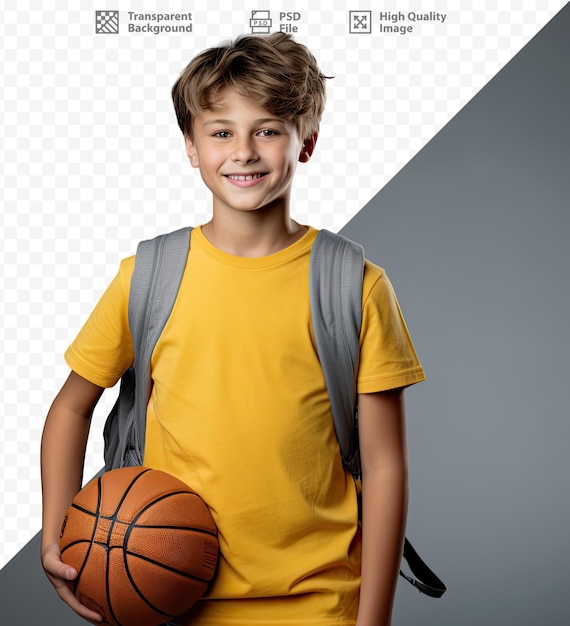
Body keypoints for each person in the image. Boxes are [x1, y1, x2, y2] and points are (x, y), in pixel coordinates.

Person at [40, 32, 425, 626]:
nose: (243, 150)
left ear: (307, 143)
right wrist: (58, 537)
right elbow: (70, 408)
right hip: (171, 602)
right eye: (221, 132)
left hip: (320, 604)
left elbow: (383, 465)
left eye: (268, 129)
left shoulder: (355, 286)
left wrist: (373, 619)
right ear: (191, 147)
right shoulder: (148, 277)